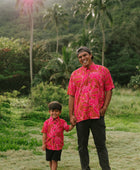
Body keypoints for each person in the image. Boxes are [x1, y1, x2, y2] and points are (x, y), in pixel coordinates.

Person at [67, 46, 115, 170]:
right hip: (81, 115)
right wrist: (71, 115)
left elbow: (109, 89)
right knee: (82, 146)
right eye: (80, 57)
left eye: (85, 55)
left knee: (101, 145)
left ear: (90, 55)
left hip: (97, 114)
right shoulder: (75, 74)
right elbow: (71, 95)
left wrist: (105, 107)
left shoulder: (103, 70)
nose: (83, 58)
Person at [41, 101, 74, 170]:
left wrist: (73, 124)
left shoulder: (62, 122)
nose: (54, 113)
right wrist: (44, 144)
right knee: (50, 160)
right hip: (49, 145)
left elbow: (68, 128)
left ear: (60, 112)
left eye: (56, 111)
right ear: (49, 112)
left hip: (58, 146)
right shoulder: (47, 122)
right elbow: (44, 134)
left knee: (54, 160)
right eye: (52, 111)